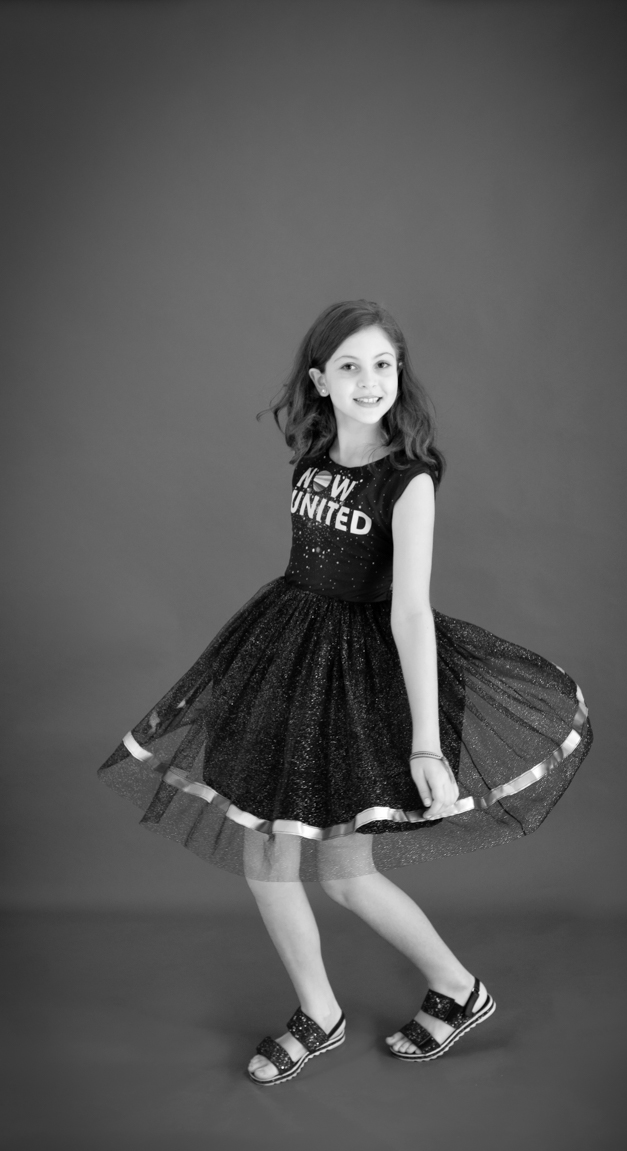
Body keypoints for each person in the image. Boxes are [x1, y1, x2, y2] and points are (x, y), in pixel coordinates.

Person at [98, 299, 592, 1085]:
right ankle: (318, 1013)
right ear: (320, 380)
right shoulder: (312, 460)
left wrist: (424, 746)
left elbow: (409, 612)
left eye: (383, 365)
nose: (369, 381)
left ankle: (458, 989)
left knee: (343, 872)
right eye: (351, 366)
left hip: (359, 681)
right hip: (285, 654)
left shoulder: (408, 481)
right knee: (264, 846)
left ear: (399, 375)